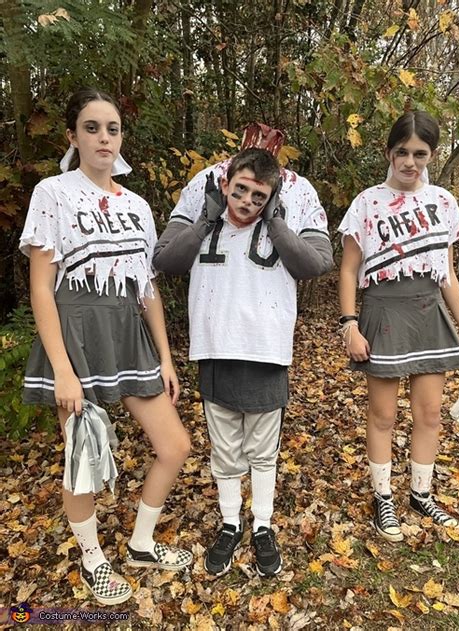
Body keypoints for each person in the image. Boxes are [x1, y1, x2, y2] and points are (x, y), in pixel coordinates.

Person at [19, 88, 192, 605]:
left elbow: (147, 288)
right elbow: (40, 288)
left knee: (175, 446)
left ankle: (141, 542)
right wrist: (62, 369)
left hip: (129, 336)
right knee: (83, 458)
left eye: (112, 128)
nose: (103, 138)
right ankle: (93, 557)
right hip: (75, 336)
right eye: (92, 128)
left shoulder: (137, 205)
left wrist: (164, 356)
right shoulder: (54, 192)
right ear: (72, 136)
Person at [153, 128, 333, 577]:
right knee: (226, 446)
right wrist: (205, 221)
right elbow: (166, 259)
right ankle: (231, 522)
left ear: (272, 193)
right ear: (227, 179)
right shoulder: (203, 189)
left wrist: (275, 220)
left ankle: (263, 525)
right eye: (241, 190)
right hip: (215, 340)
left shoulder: (297, 194)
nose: (247, 200)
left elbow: (318, 263)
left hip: (267, 344)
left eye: (259, 195)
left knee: (263, 449)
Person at [338, 111, 459, 542]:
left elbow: (446, 273)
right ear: (388, 153)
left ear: (432, 155)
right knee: (383, 414)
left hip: (428, 311)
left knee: (429, 413)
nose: (410, 162)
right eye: (402, 152)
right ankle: (383, 498)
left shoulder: (443, 203)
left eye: (420, 153)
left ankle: (420, 492)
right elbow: (347, 270)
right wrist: (349, 324)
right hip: (383, 312)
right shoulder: (367, 202)